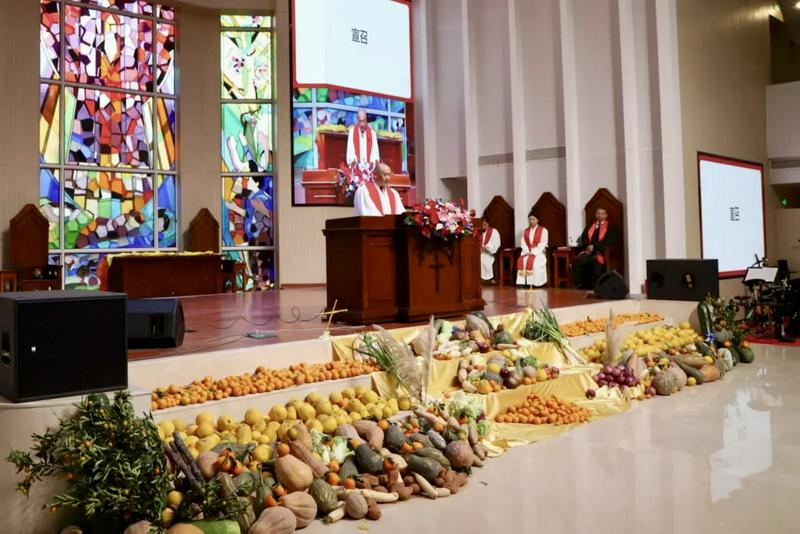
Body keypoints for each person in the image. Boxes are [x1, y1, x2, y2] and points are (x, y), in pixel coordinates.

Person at [572, 207, 616, 289]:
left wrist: (594, 247)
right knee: (578, 261)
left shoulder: (609, 227)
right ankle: (579, 284)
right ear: (596, 214)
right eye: (598, 213)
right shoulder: (590, 226)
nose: (600, 215)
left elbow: (608, 241)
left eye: (602, 214)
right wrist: (588, 246)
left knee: (594, 262)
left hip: (600, 252)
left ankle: (596, 286)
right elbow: (583, 238)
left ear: (606, 215)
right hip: (588, 251)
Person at [516, 212, 549, 287]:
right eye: (530, 219)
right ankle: (524, 282)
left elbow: (543, 243)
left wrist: (533, 252)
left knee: (536, 262)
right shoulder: (525, 231)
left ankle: (536, 283)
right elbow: (523, 243)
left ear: (538, 220)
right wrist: (527, 252)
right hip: (527, 252)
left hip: (538, 253)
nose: (531, 221)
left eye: (533, 219)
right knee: (522, 261)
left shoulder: (543, 230)